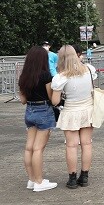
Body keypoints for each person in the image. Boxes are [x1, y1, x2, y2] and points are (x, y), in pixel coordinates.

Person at [51, 45, 97, 188]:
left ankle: (72, 178)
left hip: (71, 111)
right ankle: (84, 176)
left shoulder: (60, 77)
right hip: (88, 109)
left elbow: (55, 101)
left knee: (71, 145)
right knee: (87, 143)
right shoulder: (89, 69)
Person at [18, 46, 58, 192]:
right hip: (43, 111)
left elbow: (22, 99)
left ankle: (32, 179)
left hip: (29, 111)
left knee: (29, 147)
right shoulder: (46, 75)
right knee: (38, 149)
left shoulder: (24, 76)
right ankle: (39, 182)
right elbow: (51, 97)